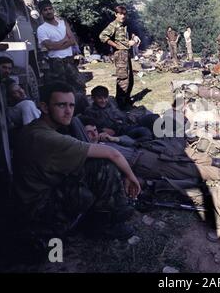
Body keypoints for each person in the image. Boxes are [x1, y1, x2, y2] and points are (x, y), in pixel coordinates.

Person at [13, 82, 141, 240]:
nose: (68, 112)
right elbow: (112, 153)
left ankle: (112, 210)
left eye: (71, 106)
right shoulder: (47, 138)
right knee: (102, 166)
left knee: (89, 166)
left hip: (34, 196)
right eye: (61, 105)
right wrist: (131, 176)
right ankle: (104, 224)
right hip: (38, 209)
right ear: (45, 107)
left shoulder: (34, 128)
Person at [80, 117, 220, 182]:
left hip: (145, 150)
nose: (94, 133)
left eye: (95, 130)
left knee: (181, 153)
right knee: (183, 169)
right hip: (141, 163)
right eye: (89, 132)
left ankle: (219, 162)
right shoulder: (92, 152)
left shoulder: (104, 143)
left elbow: (131, 141)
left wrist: (114, 139)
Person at [37, 0, 84, 91]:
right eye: (45, 10)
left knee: (79, 87)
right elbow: (49, 47)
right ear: (41, 13)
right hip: (55, 63)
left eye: (50, 9)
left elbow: (72, 40)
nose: (48, 11)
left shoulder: (63, 23)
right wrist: (65, 40)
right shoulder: (41, 29)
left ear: (53, 10)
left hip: (69, 60)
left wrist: (56, 45)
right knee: (60, 90)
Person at [83, 86, 153, 140]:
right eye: (100, 98)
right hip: (121, 133)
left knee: (153, 118)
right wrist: (101, 130)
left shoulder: (110, 104)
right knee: (144, 131)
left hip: (129, 124)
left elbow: (121, 114)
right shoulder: (90, 111)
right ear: (93, 98)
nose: (103, 101)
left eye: (105, 98)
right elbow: (89, 127)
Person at [99, 5, 135, 110]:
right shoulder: (113, 24)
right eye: (120, 14)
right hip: (120, 54)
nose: (123, 16)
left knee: (130, 79)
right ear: (116, 14)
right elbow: (102, 36)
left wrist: (133, 38)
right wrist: (115, 45)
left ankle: (126, 100)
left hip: (125, 53)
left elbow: (125, 38)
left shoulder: (124, 25)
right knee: (123, 79)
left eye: (124, 14)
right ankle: (120, 105)